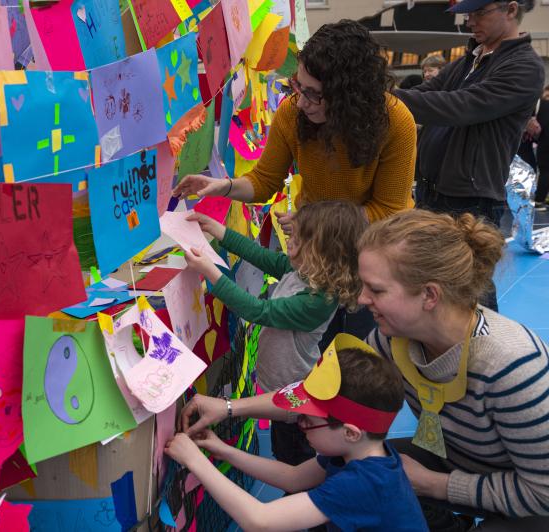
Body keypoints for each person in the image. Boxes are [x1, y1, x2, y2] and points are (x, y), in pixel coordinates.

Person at [173, 19, 416, 345]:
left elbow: (389, 212)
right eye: (297, 86)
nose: (301, 101)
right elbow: (263, 180)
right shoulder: (293, 112)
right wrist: (223, 186)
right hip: (318, 253)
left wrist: (313, 225)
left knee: (359, 355)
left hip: (373, 259)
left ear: (349, 96)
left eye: (314, 94)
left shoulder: (395, 121)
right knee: (312, 352)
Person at [359, 209, 549, 530]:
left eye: (376, 290)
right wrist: (242, 407)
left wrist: (432, 484)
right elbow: (330, 390)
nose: (362, 299)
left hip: (531, 498)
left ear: (429, 295)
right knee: (354, 474)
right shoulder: (392, 336)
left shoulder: (512, 366)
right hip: (454, 461)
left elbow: (542, 491)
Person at [167, 337, 428, 532]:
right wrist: (223, 449)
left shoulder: (365, 483)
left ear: (350, 432)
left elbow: (260, 520)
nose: (299, 423)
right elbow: (292, 478)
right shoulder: (357, 454)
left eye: (308, 420)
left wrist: (195, 461)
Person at [184, 201, 366, 465]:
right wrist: (218, 230)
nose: (288, 245)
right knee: (285, 449)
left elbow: (259, 310)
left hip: (295, 393)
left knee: (295, 454)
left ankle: (299, 494)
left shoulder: (317, 300)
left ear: (321, 253)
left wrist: (211, 273)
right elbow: (260, 256)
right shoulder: (302, 272)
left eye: (297, 241)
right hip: (280, 385)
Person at [395, 0, 544, 228]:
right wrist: (384, 98)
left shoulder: (524, 66)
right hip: (430, 190)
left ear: (511, 10)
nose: (469, 21)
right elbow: (422, 94)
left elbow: (460, 106)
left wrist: (384, 97)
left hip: (469, 202)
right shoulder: (467, 61)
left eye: (479, 13)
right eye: (467, 14)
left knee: (461, 264)